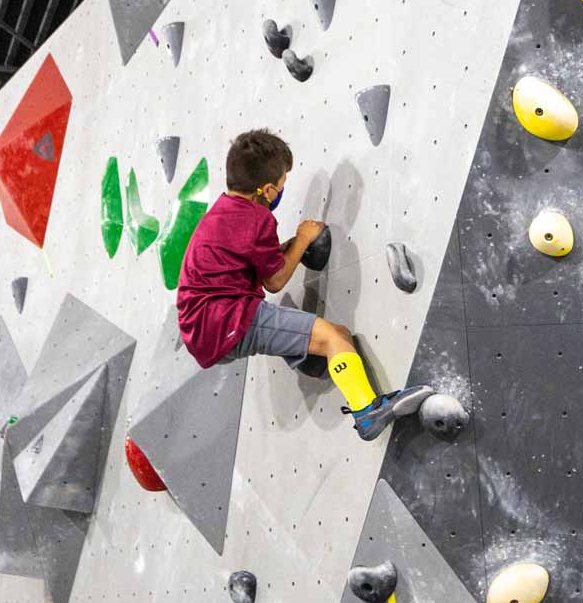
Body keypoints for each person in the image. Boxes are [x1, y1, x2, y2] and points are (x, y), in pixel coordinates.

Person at [176, 129, 431, 440]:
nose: (283, 189)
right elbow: (275, 280)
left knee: (337, 337)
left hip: (205, 325)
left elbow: (246, 261)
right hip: (227, 319)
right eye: (283, 183)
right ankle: (367, 414)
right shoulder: (256, 219)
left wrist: (287, 247)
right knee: (331, 337)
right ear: (267, 190)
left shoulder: (222, 211)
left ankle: (306, 354)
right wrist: (303, 240)